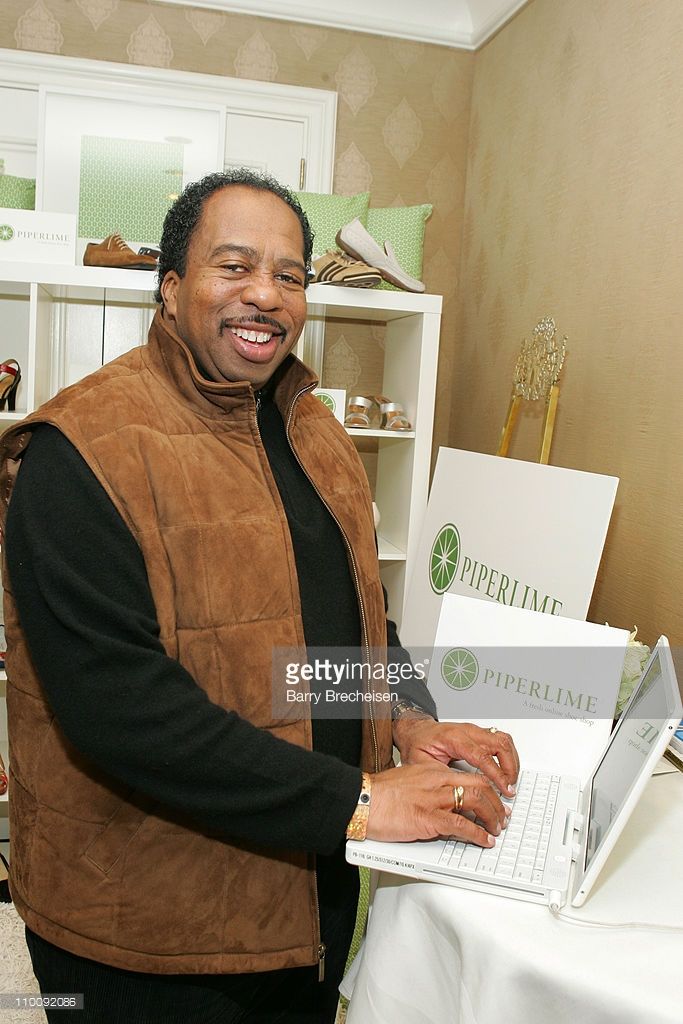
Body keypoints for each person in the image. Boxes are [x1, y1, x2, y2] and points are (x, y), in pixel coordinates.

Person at [0, 170, 519, 1024]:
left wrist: (406, 722)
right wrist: (363, 801)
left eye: (289, 275)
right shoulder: (78, 451)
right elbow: (121, 712)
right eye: (234, 266)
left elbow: (344, 623)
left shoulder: (312, 428)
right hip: (148, 937)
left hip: (306, 892)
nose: (265, 295)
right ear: (171, 288)